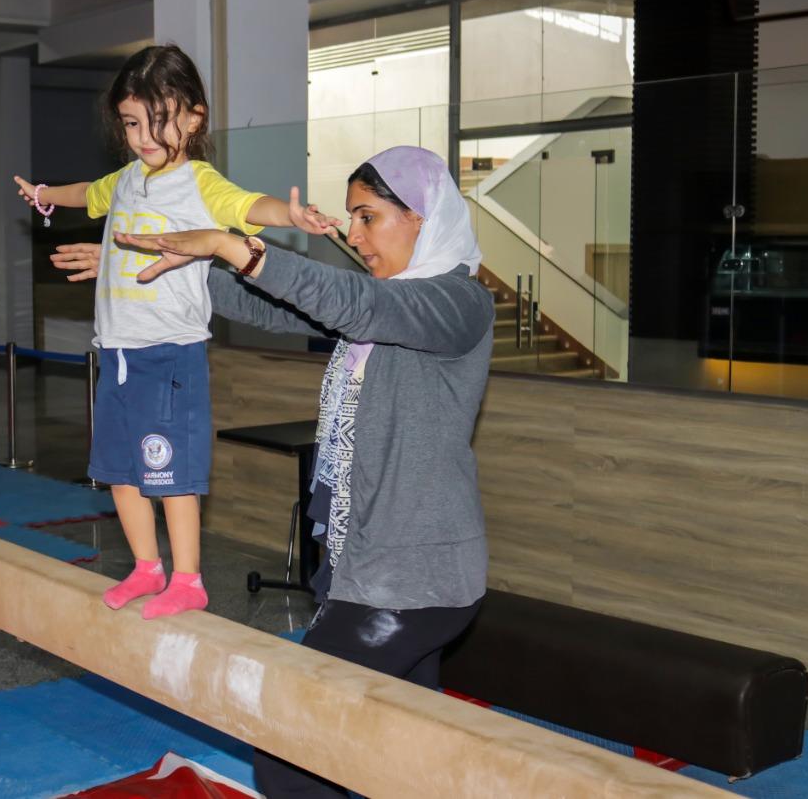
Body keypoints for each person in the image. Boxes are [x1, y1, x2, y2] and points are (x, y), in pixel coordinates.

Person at [52, 145, 494, 797]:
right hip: (366, 567)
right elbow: (274, 304)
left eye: (369, 217)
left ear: (424, 216)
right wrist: (152, 264)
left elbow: (355, 305)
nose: (355, 235)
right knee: (404, 750)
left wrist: (233, 244)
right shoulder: (382, 303)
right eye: (351, 218)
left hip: (413, 578)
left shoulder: (458, 303)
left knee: (289, 748)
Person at [13, 44, 338, 620]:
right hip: (115, 353)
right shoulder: (126, 181)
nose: (143, 138)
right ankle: (146, 567)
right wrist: (43, 195)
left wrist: (290, 215)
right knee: (118, 471)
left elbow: (245, 206)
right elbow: (84, 193)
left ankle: (188, 578)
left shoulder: (198, 181)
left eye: (157, 123)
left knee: (170, 474)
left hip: (170, 354)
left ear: (193, 116)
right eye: (132, 124)